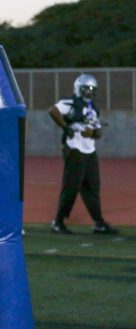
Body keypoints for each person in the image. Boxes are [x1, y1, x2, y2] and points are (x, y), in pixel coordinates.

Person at [49, 74, 119, 235]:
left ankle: (99, 223)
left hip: (89, 150)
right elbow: (53, 111)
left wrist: (92, 133)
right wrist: (67, 127)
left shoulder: (94, 109)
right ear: (79, 89)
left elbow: (98, 133)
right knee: (71, 187)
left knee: (92, 188)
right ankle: (58, 222)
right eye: (87, 89)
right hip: (74, 149)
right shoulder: (70, 102)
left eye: (92, 89)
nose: (90, 92)